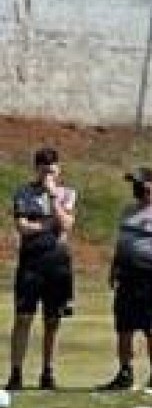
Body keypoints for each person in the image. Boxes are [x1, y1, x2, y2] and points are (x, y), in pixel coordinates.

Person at [97, 167, 152, 395]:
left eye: (141, 184)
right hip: (127, 278)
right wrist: (114, 269)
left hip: (149, 279)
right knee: (124, 328)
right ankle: (125, 374)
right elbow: (122, 243)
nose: (138, 189)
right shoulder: (128, 211)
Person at [9, 147, 77, 391]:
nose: (48, 174)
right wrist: (49, 224)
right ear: (36, 168)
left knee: (52, 320)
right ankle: (16, 372)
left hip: (57, 264)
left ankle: (48, 372)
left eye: (52, 169)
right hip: (31, 263)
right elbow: (22, 227)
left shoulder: (66, 193)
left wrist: (52, 198)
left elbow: (67, 223)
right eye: (44, 169)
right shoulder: (23, 192)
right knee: (23, 317)